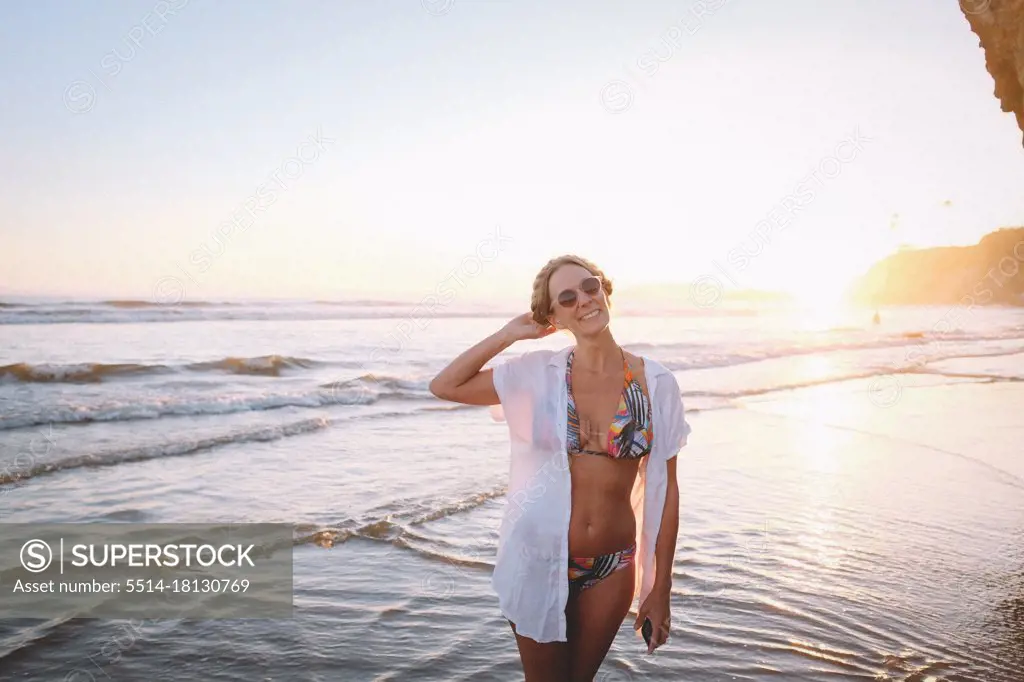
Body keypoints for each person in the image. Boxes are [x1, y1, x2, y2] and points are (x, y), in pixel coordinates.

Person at [429, 255, 692, 681]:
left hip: (613, 565)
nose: (584, 300)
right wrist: (508, 335)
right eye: (566, 298)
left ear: (604, 289)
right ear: (552, 316)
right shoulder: (537, 375)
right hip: (537, 557)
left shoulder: (657, 383)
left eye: (590, 287)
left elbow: (669, 491)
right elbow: (445, 386)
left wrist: (661, 588)